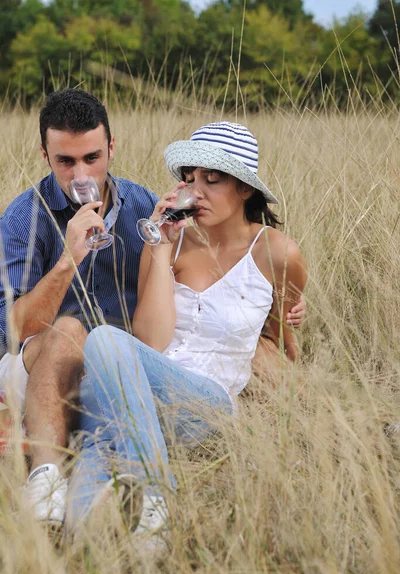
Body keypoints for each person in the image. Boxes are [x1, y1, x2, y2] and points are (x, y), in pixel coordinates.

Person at [0, 94, 305, 527]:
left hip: (139, 376)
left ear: (112, 148)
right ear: (45, 155)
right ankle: (53, 482)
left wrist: (282, 307)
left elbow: (271, 339)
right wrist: (71, 260)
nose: (80, 174)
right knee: (75, 331)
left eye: (92, 157)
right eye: (65, 161)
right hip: (57, 362)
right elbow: (12, 331)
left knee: (105, 350)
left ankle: (130, 506)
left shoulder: (145, 208)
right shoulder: (23, 217)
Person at [67, 121, 307, 551]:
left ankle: (159, 489)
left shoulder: (277, 252)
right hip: (139, 397)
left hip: (205, 405)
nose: (196, 192)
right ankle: (106, 545)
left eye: (212, 181)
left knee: (103, 340)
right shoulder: (168, 244)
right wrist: (160, 247)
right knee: (83, 506)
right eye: (191, 180)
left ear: (245, 190)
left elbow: (281, 346)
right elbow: (151, 342)